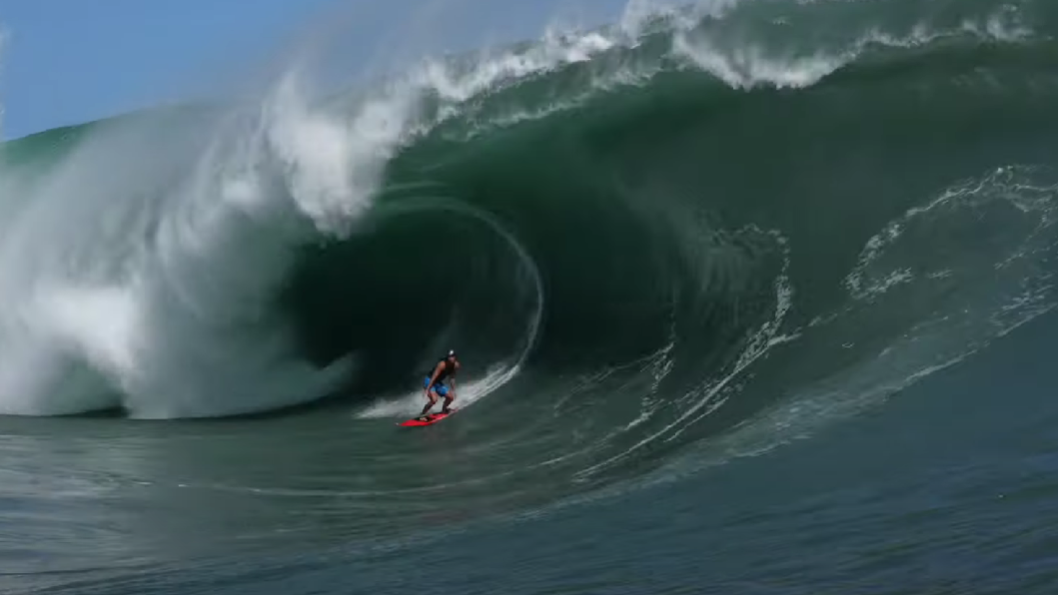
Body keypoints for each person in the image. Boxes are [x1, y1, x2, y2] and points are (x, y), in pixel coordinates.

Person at [418, 350, 459, 420]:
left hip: (437, 382)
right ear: (447, 358)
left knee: (450, 397)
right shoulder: (442, 365)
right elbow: (434, 377)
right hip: (430, 380)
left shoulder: (456, 365)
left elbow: (452, 378)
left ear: (455, 357)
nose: (451, 358)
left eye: (452, 357)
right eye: (449, 357)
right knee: (434, 400)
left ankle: (444, 410)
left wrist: (453, 390)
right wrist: (427, 389)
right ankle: (422, 414)